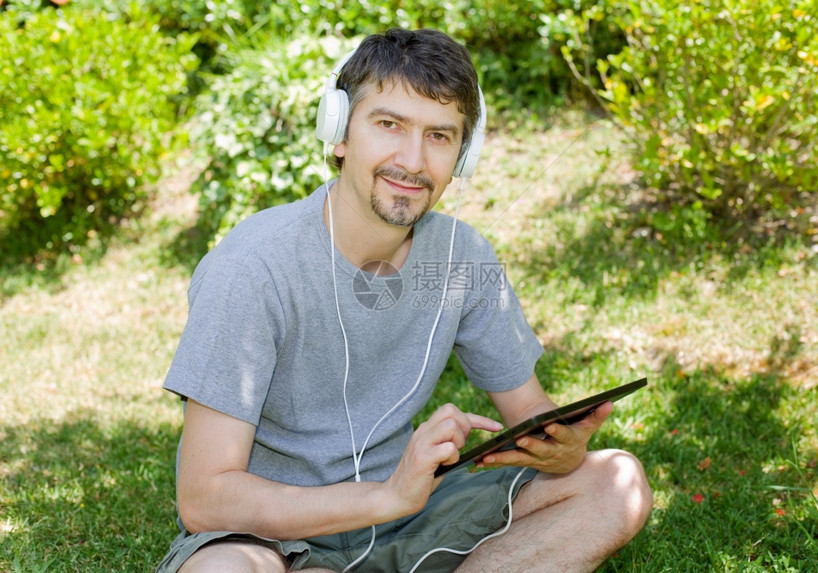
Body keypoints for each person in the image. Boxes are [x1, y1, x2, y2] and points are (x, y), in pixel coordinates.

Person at [156, 27, 652, 573]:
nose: (413, 161)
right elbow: (204, 499)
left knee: (612, 482)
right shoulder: (253, 267)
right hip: (274, 532)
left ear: (464, 154)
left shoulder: (462, 257)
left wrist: (562, 447)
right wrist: (386, 495)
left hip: (411, 512)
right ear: (339, 131)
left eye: (439, 136)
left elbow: (529, 410)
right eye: (389, 124)